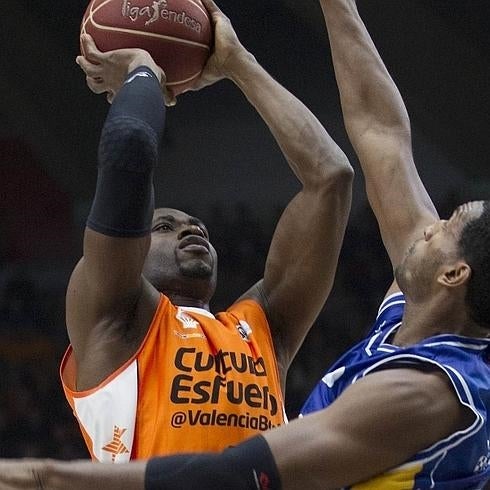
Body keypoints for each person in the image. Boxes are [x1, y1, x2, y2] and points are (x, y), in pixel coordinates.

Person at [2, 0, 487, 488]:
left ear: (455, 274)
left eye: (446, 226)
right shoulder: (115, 320)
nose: (428, 226)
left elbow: (235, 475)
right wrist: (239, 62)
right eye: (165, 225)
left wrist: (143, 75)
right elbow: (357, 157)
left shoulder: (425, 386)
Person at [59, 0, 353, 463]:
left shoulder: (263, 331)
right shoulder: (112, 315)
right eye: (164, 225)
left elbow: (331, 177)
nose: (191, 229)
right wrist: (142, 71)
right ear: (135, 244)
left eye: (197, 226)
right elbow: (131, 147)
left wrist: (239, 64)